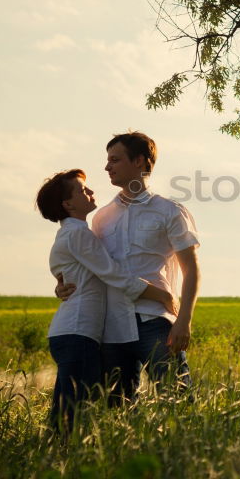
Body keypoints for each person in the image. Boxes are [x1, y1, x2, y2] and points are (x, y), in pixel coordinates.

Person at [56, 131, 200, 403]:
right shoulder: (100, 217)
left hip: (155, 321)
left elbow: (191, 269)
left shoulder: (170, 211)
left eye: (115, 160)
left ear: (139, 162)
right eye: (107, 160)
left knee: (178, 401)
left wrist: (184, 320)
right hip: (111, 326)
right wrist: (62, 283)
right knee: (116, 409)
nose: (107, 167)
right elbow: (93, 266)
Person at [35, 168, 173, 430]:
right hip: (78, 332)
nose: (91, 192)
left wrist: (59, 284)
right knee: (77, 411)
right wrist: (160, 294)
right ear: (68, 203)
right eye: (82, 190)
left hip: (72, 332)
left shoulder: (72, 233)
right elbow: (114, 274)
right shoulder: (78, 234)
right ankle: (69, 461)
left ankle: (53, 459)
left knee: (66, 410)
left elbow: (66, 272)